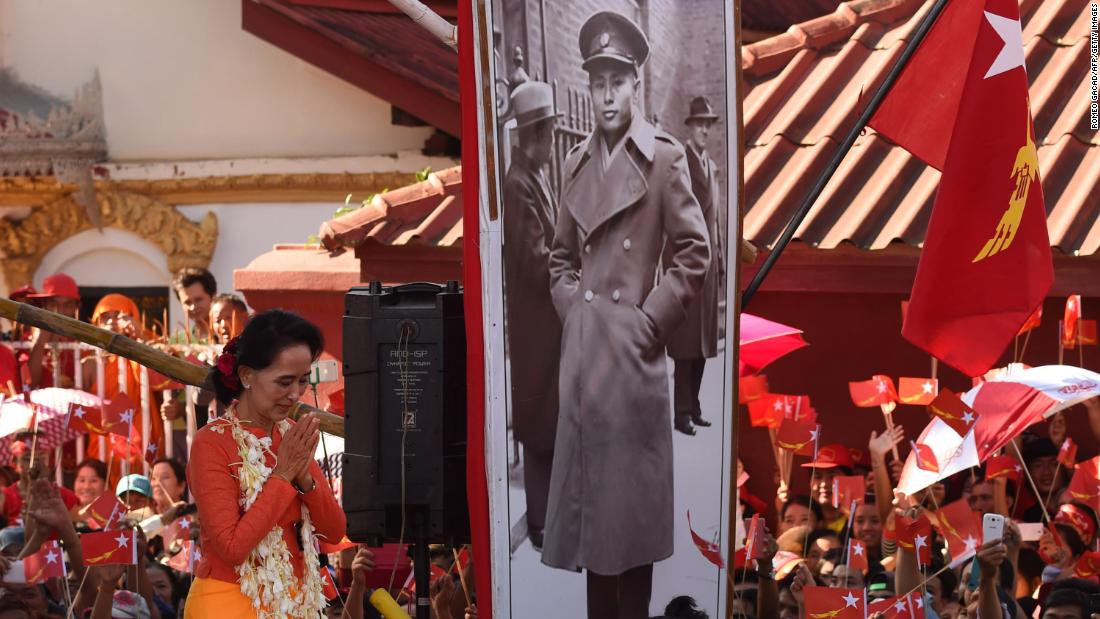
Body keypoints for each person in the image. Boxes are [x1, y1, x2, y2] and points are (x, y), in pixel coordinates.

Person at [541, 10, 710, 618]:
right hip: (586, 366)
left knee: (630, 531)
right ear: (588, 86)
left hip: (634, 370)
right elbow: (559, 259)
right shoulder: (576, 163)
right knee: (591, 533)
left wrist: (648, 321)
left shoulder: (663, 158)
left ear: (636, 82)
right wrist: (575, 313)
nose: (607, 92)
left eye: (618, 79)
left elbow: (695, 251)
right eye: (597, 80)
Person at [185, 309, 345, 618]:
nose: (295, 394)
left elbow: (335, 532)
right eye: (284, 382)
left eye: (301, 381)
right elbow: (232, 547)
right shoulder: (212, 442)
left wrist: (306, 481)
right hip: (228, 603)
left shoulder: (290, 436)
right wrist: (284, 476)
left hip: (294, 604)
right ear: (246, 376)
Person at [501, 79, 563, 551]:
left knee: (550, 427)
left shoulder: (531, 176)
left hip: (546, 332)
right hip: (537, 334)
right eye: (549, 134)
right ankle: (542, 524)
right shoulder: (517, 183)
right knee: (541, 431)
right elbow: (532, 259)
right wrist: (572, 260)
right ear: (536, 134)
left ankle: (550, 520)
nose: (551, 144)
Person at [667, 95, 723, 436]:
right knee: (686, 347)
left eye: (708, 124)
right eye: (699, 124)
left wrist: (720, 261)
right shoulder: (681, 164)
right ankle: (681, 413)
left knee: (703, 345)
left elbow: (715, 221)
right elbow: (673, 217)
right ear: (690, 127)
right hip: (689, 266)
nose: (704, 129)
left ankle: (696, 406)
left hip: (709, 268)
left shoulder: (711, 166)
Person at [84, 293, 166, 476]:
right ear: (96, 323)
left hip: (139, 432)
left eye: (119, 316)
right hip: (104, 435)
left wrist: (140, 338)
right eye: (105, 318)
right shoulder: (88, 360)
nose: (112, 322)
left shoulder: (148, 344)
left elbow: (163, 377)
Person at [23, 273, 82, 389]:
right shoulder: (27, 338)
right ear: (44, 305)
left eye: (68, 305)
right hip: (38, 405)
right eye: (53, 304)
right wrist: (39, 343)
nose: (60, 311)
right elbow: (28, 385)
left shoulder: (83, 340)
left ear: (77, 308)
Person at [172, 267, 216, 343]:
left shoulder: (229, 338)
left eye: (198, 300)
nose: (193, 307)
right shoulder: (177, 341)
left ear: (213, 297)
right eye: (187, 302)